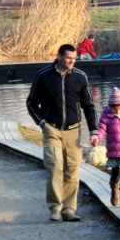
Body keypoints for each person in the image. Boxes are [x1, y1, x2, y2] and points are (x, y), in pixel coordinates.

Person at [26, 44, 98, 222]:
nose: (72, 61)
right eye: (68, 58)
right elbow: (31, 103)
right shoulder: (43, 76)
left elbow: (88, 106)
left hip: (73, 130)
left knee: (72, 170)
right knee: (55, 167)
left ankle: (69, 209)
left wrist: (94, 131)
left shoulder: (81, 77)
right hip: (52, 128)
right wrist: (42, 123)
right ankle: (55, 208)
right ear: (59, 56)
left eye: (74, 58)